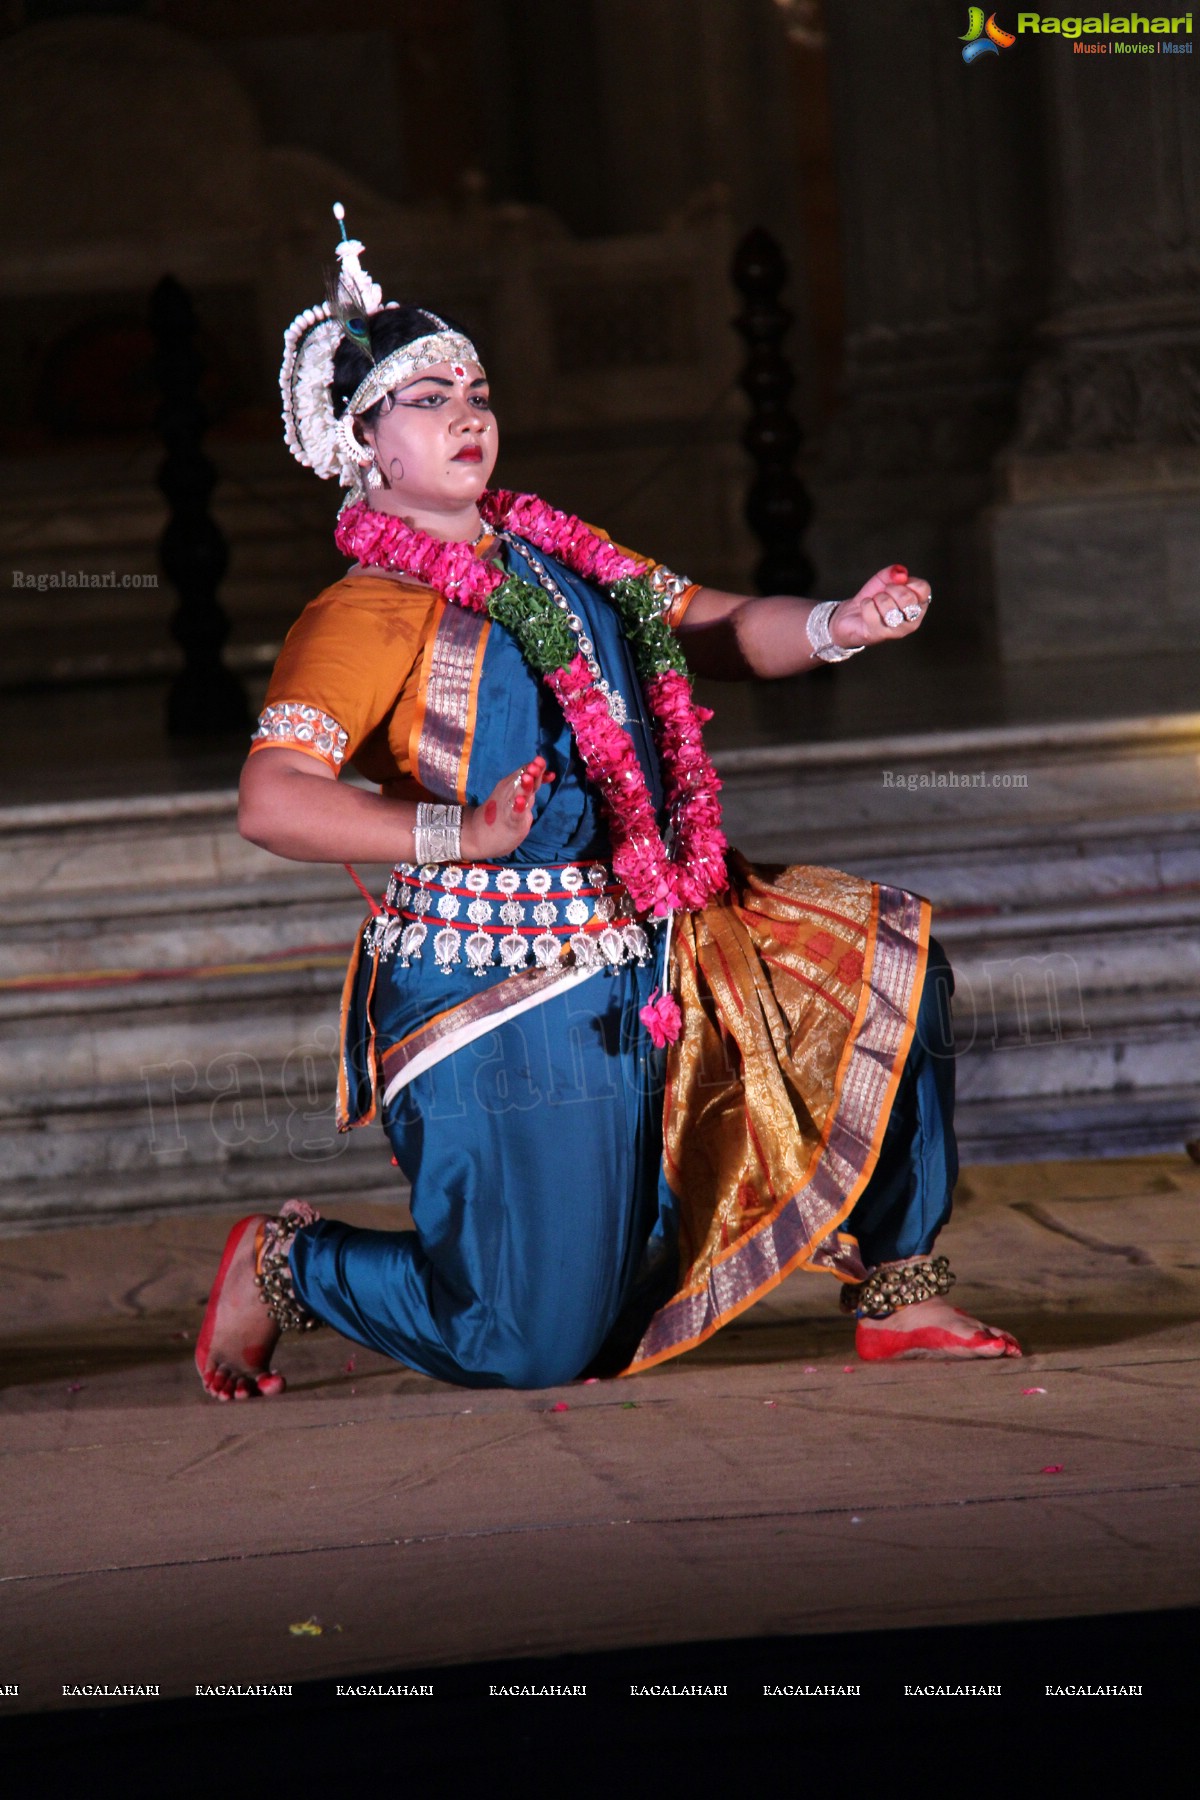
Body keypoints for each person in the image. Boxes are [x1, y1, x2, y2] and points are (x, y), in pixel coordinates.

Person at [196, 208, 1020, 1401]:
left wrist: (842, 625)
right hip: (492, 987)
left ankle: (899, 1287)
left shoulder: (567, 557)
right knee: (530, 1346)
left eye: (475, 388)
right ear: (363, 441)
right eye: (427, 400)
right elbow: (271, 801)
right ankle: (290, 1264)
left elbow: (726, 629)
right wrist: (460, 833)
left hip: (660, 929)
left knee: (890, 957)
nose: (468, 413)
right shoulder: (364, 612)